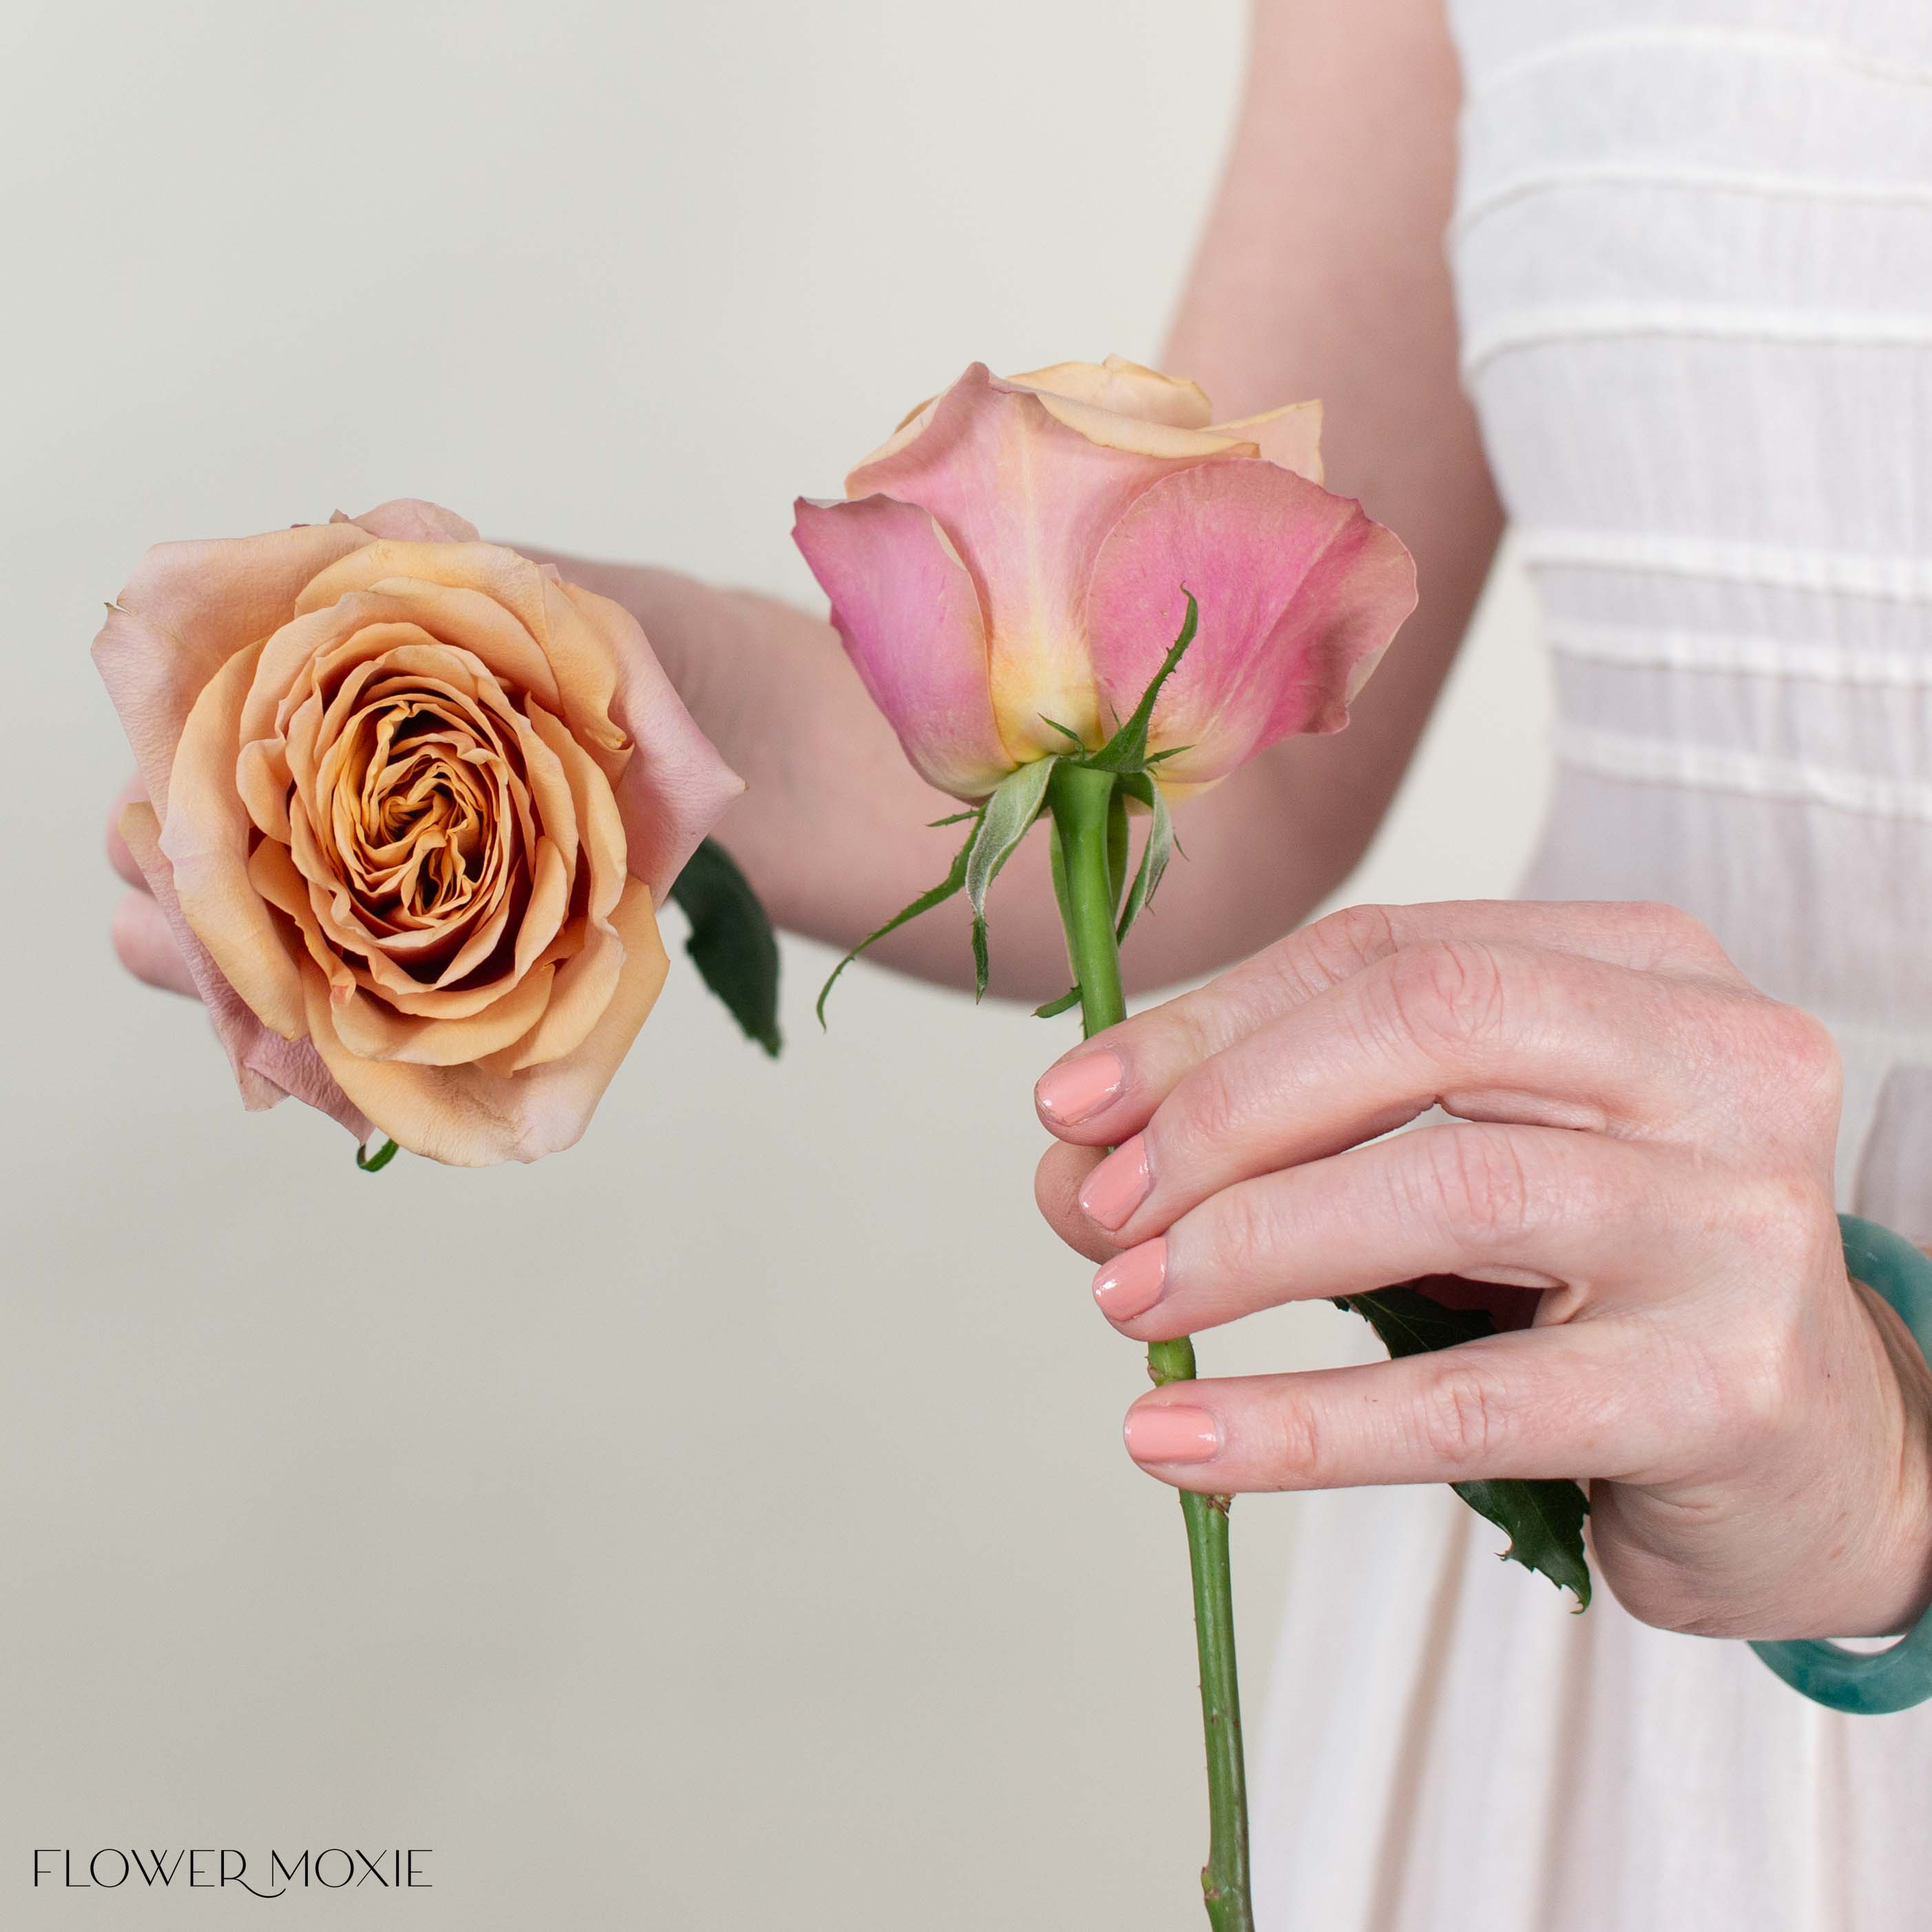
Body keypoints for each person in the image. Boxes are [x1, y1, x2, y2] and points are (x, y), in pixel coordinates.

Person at [107, 1, 1932, 1924]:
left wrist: (1894, 1462)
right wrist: (549, 674)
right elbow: (1191, 787)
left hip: (1760, 1416)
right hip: (1632, 1421)